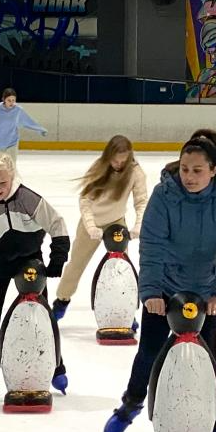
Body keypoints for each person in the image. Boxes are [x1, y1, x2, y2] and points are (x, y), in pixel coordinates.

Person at [102, 131, 216, 432]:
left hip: (205, 291)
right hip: (166, 286)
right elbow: (152, 244)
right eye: (184, 169)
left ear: (214, 170)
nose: (189, 177)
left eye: (197, 170)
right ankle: (131, 404)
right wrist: (152, 291)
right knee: (149, 351)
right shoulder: (165, 194)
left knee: (207, 357)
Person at [0, 152, 71, 400]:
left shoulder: (27, 198)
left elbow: (57, 224)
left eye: (2, 182)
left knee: (42, 316)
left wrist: (57, 257)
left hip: (30, 261)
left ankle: (56, 368)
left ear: (12, 176)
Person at [52, 136, 148, 319]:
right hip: (92, 222)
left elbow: (141, 201)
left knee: (122, 269)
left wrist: (138, 225)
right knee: (76, 265)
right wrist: (90, 226)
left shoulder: (135, 172)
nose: (119, 165)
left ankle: (126, 311)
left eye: (123, 161)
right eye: (115, 160)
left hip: (116, 222)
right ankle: (62, 300)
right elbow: (85, 200)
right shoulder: (99, 167)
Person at [0, 88, 48, 162]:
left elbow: (28, 122)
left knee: (11, 167)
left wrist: (40, 129)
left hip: (12, 144)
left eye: (13, 100)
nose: (11, 103)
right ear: (4, 99)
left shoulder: (18, 110)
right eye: (9, 100)